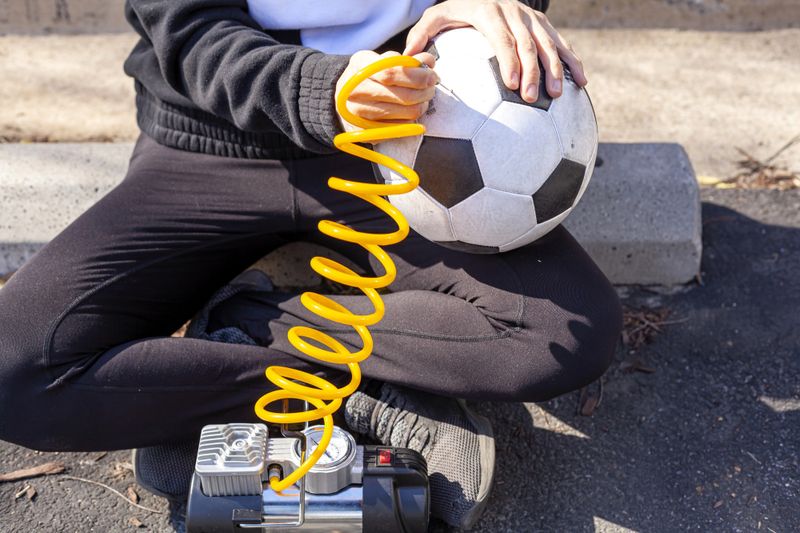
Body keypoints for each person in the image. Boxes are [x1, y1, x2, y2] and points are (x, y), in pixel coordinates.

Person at [0, 0, 620, 529]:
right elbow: (187, 31)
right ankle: (367, 393)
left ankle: (247, 328)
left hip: (412, 144)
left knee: (565, 334)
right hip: (211, 144)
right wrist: (324, 91)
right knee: (15, 376)